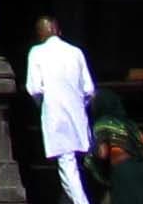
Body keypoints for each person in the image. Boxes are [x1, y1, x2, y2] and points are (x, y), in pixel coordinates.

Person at [23, 15, 99, 204]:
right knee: (76, 160)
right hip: (77, 112)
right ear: (59, 31)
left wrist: (43, 106)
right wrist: (79, 104)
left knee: (66, 161)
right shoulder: (76, 52)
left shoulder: (37, 52)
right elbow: (89, 89)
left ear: (40, 35)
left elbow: (33, 88)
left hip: (55, 113)